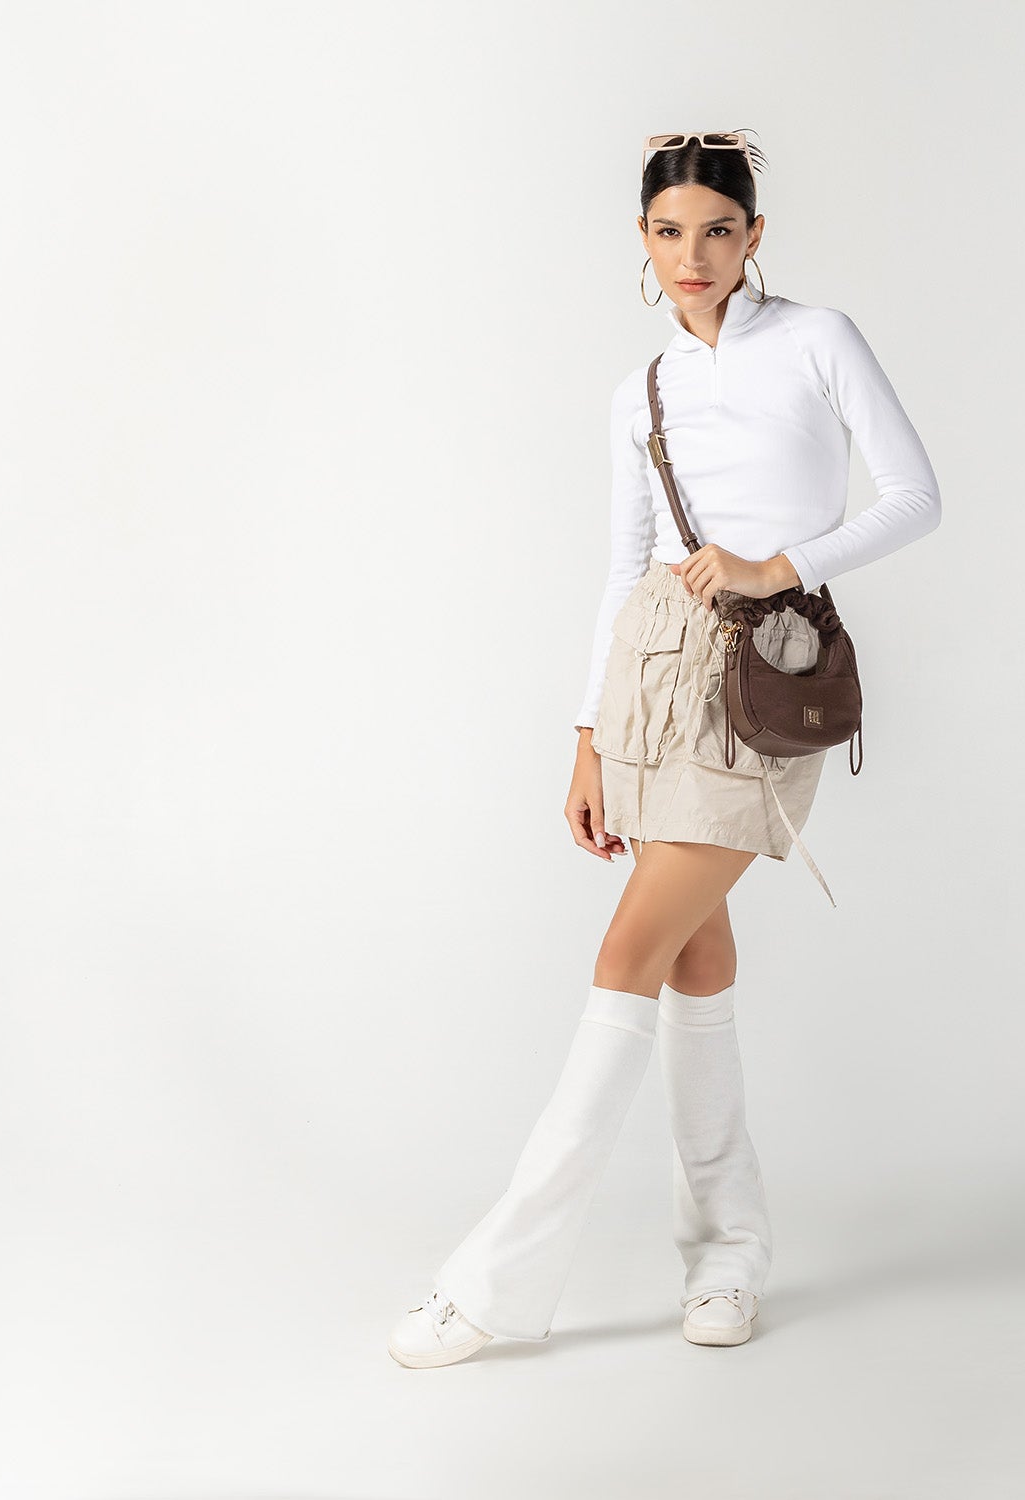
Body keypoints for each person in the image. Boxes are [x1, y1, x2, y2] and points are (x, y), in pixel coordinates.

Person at [388, 129, 941, 1368]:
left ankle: (493, 1283)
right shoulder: (641, 388)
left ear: (755, 235)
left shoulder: (818, 339)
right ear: (643, 240)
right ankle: (730, 1256)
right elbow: (624, 563)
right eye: (669, 232)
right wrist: (588, 735)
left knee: (626, 950)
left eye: (718, 231)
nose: (694, 256)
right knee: (694, 952)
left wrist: (778, 564)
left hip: (764, 675)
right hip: (649, 670)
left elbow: (916, 497)